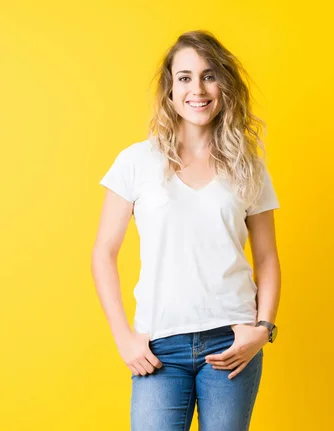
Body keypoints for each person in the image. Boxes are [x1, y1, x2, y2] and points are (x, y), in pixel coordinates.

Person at [91, 29, 281, 431]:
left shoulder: (248, 165)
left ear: (224, 85)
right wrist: (124, 337)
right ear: (170, 89)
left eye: (209, 75)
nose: (198, 88)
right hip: (160, 346)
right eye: (185, 77)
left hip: (232, 342)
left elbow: (266, 257)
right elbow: (104, 252)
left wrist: (263, 329)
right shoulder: (137, 162)